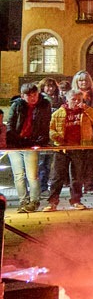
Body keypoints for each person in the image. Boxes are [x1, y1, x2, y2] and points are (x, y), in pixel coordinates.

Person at [5, 84, 55, 212]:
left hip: (31, 144)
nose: (33, 98)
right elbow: (10, 124)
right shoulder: (17, 105)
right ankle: (23, 201)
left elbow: (45, 124)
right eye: (29, 95)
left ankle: (34, 201)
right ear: (22, 96)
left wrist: (39, 139)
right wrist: (15, 139)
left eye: (35, 95)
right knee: (18, 175)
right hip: (15, 144)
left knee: (32, 174)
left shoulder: (43, 105)